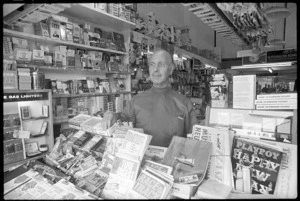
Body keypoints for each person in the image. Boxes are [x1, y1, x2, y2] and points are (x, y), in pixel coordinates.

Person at [103, 49, 198, 147]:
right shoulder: (136, 101)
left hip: (171, 161)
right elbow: (122, 122)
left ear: (171, 69)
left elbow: (194, 141)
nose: (155, 69)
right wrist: (112, 116)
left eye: (161, 65)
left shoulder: (185, 104)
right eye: (152, 64)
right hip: (142, 160)